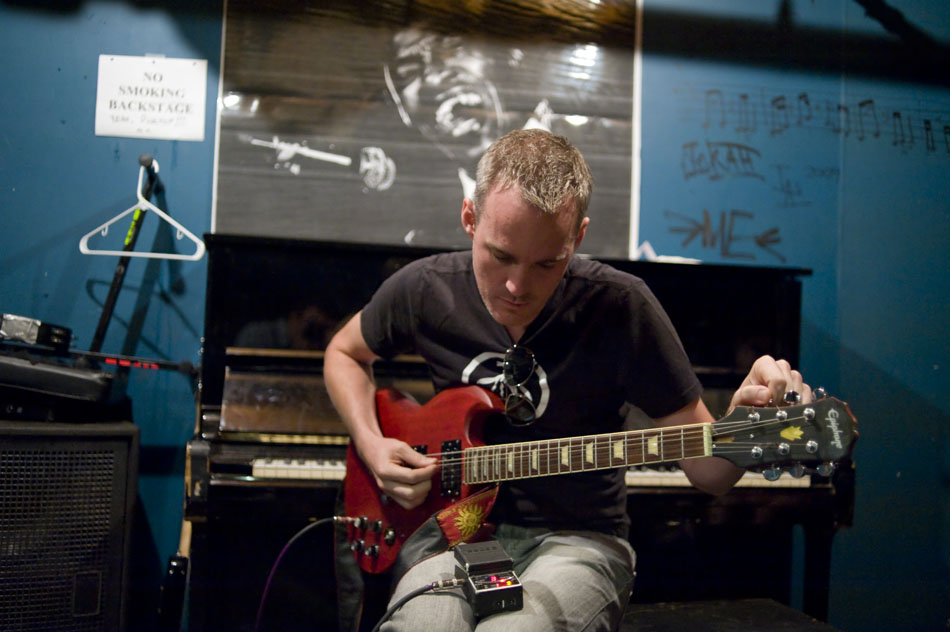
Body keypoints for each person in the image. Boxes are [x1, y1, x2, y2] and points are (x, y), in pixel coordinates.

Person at [324, 128, 812, 632]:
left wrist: (743, 420)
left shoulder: (622, 307)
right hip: (451, 533)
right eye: (502, 256)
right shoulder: (427, 288)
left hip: (578, 539)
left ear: (577, 237)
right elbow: (343, 352)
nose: (517, 286)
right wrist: (372, 442)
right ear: (470, 217)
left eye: (547, 263)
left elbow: (708, 474)